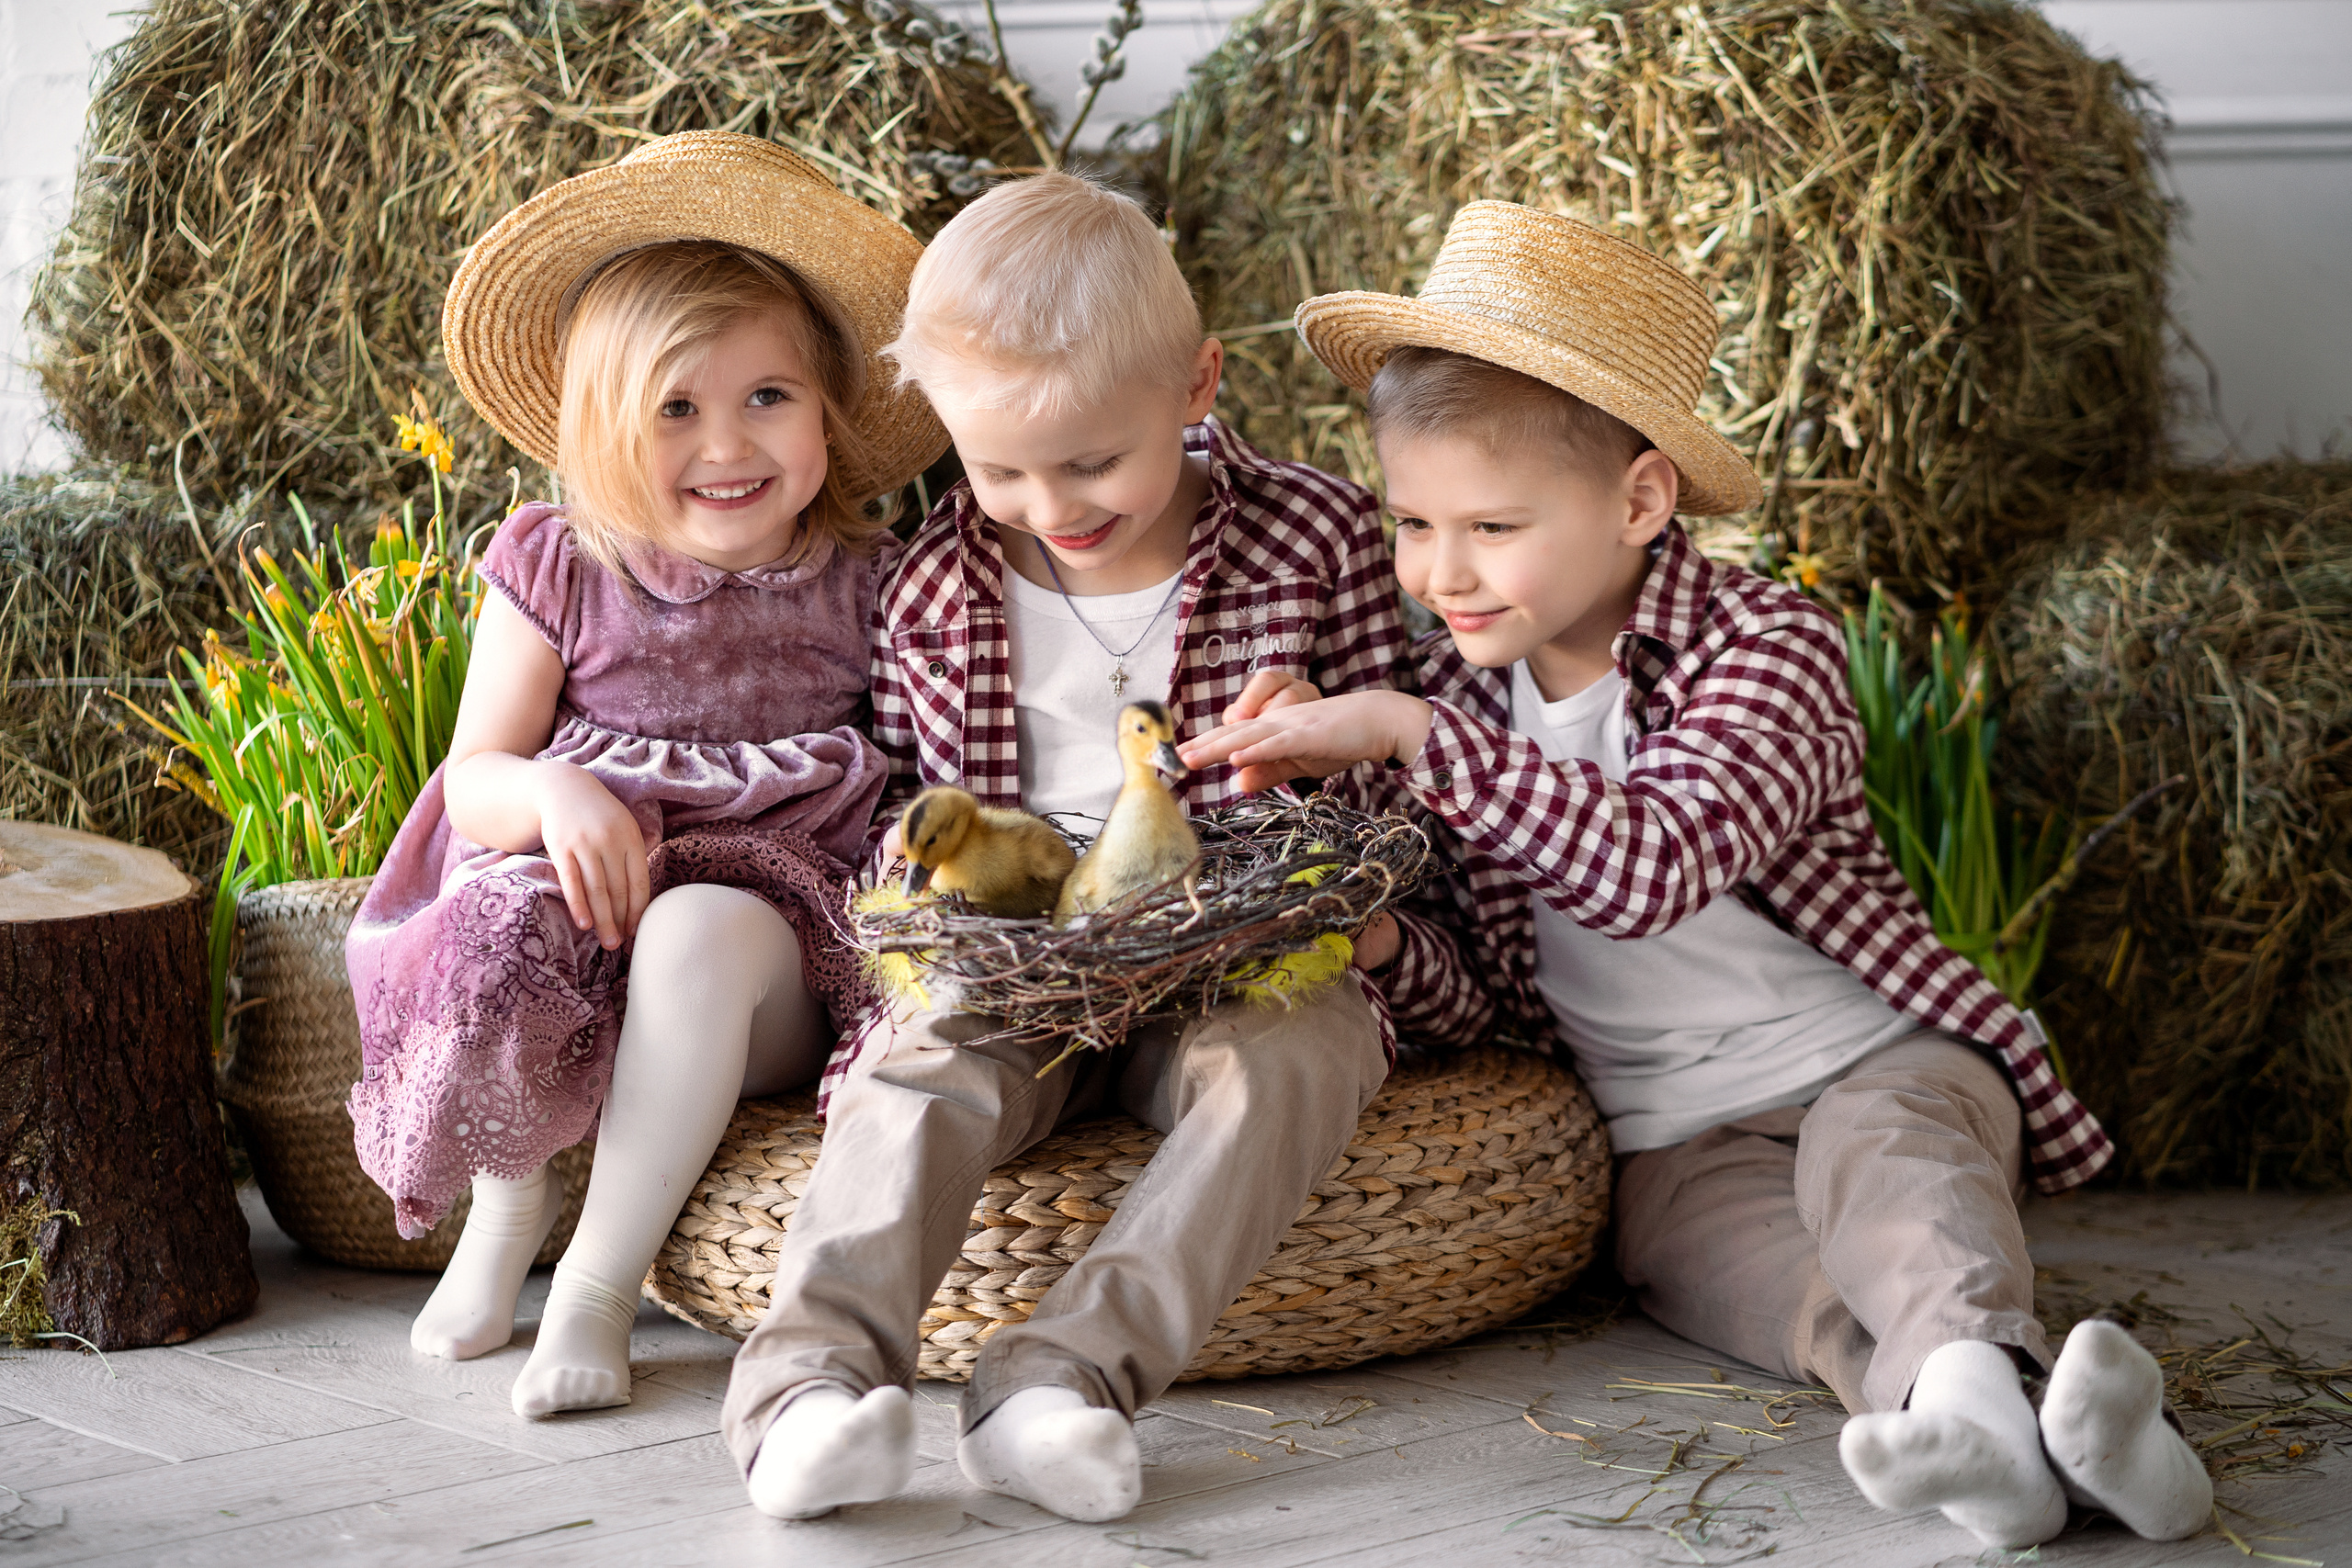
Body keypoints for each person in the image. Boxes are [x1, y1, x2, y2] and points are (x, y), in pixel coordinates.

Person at [1179, 201, 2212, 1550]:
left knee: (1886, 1168)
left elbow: (1653, 865)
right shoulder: (1451, 686)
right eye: (1413, 522)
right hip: (1668, 1138)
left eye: (1492, 526)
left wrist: (1412, 736)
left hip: (1871, 1056)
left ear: (1641, 500)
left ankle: (1980, 1387)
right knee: (1762, 1289)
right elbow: (1457, 950)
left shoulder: (1767, 647)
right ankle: (2039, 1449)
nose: (1440, 573)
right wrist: (1339, 836)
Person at [717, 170, 1483, 1523]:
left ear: (1197, 387)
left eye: (1090, 462)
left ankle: (1059, 1387)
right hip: (1024, 960)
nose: (1048, 502)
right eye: (998, 467)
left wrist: (1318, 738)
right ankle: (809, 1393)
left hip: (1231, 948)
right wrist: (916, 901)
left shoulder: (1309, 536)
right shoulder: (932, 579)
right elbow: (899, 798)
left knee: (1309, 1048)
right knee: (922, 1067)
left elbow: (1398, 811)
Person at [345, 131, 946, 1421]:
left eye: (768, 397)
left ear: (830, 408)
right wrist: (557, 792)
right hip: (582, 928)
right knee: (502, 916)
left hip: (762, 962)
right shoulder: (559, 563)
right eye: (676, 408)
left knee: (698, 927)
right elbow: (475, 779)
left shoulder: (870, 578)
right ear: (604, 428)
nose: (727, 444)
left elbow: (929, 770)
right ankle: (505, 1218)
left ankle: (599, 1286)